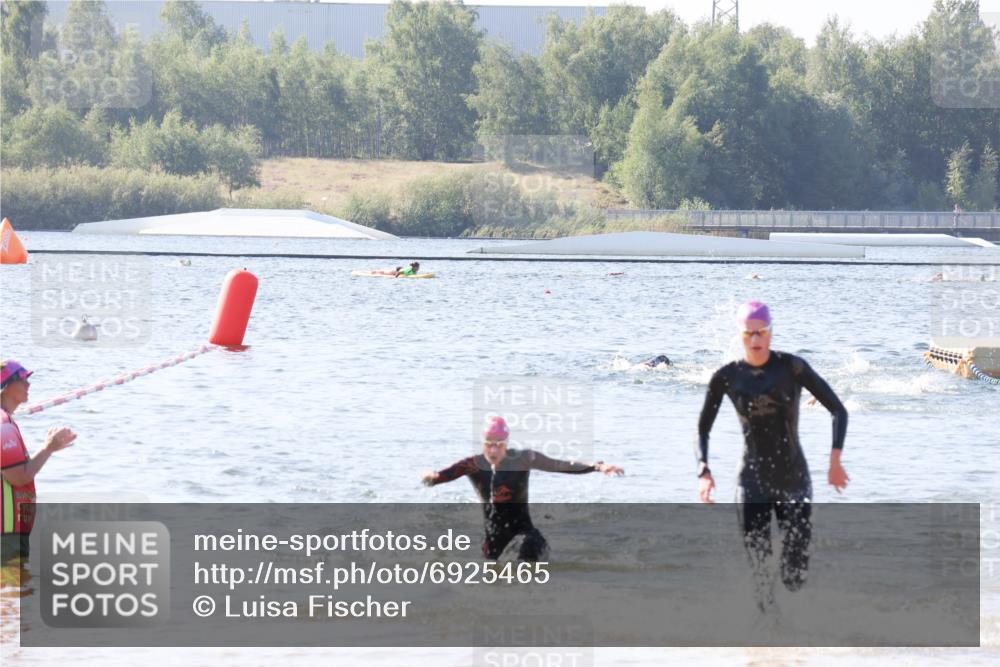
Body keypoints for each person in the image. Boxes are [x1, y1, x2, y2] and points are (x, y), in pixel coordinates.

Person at [695, 302, 849, 613]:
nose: (755, 339)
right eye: (749, 333)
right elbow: (702, 428)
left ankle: (801, 630)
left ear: (770, 333)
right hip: (752, 482)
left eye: (761, 332)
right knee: (761, 572)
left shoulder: (792, 368)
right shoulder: (727, 376)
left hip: (794, 481)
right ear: (740, 336)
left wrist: (834, 461)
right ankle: (767, 644)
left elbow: (838, 410)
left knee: (794, 576)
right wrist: (704, 470)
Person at [422, 416, 624, 561]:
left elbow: (561, 465)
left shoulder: (523, 459)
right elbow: (442, 476)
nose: (493, 449)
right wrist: (431, 478)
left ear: (506, 442)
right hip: (493, 536)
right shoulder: (472, 464)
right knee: (492, 576)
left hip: (524, 531)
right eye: (488, 444)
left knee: (529, 551)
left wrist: (597, 466)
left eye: (499, 444)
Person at [1, 361, 76, 563]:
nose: (29, 385)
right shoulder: (3, 424)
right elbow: (18, 476)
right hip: (6, 533)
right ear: (6, 386)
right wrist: (48, 448)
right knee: (13, 592)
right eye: (23, 379)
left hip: (9, 530)